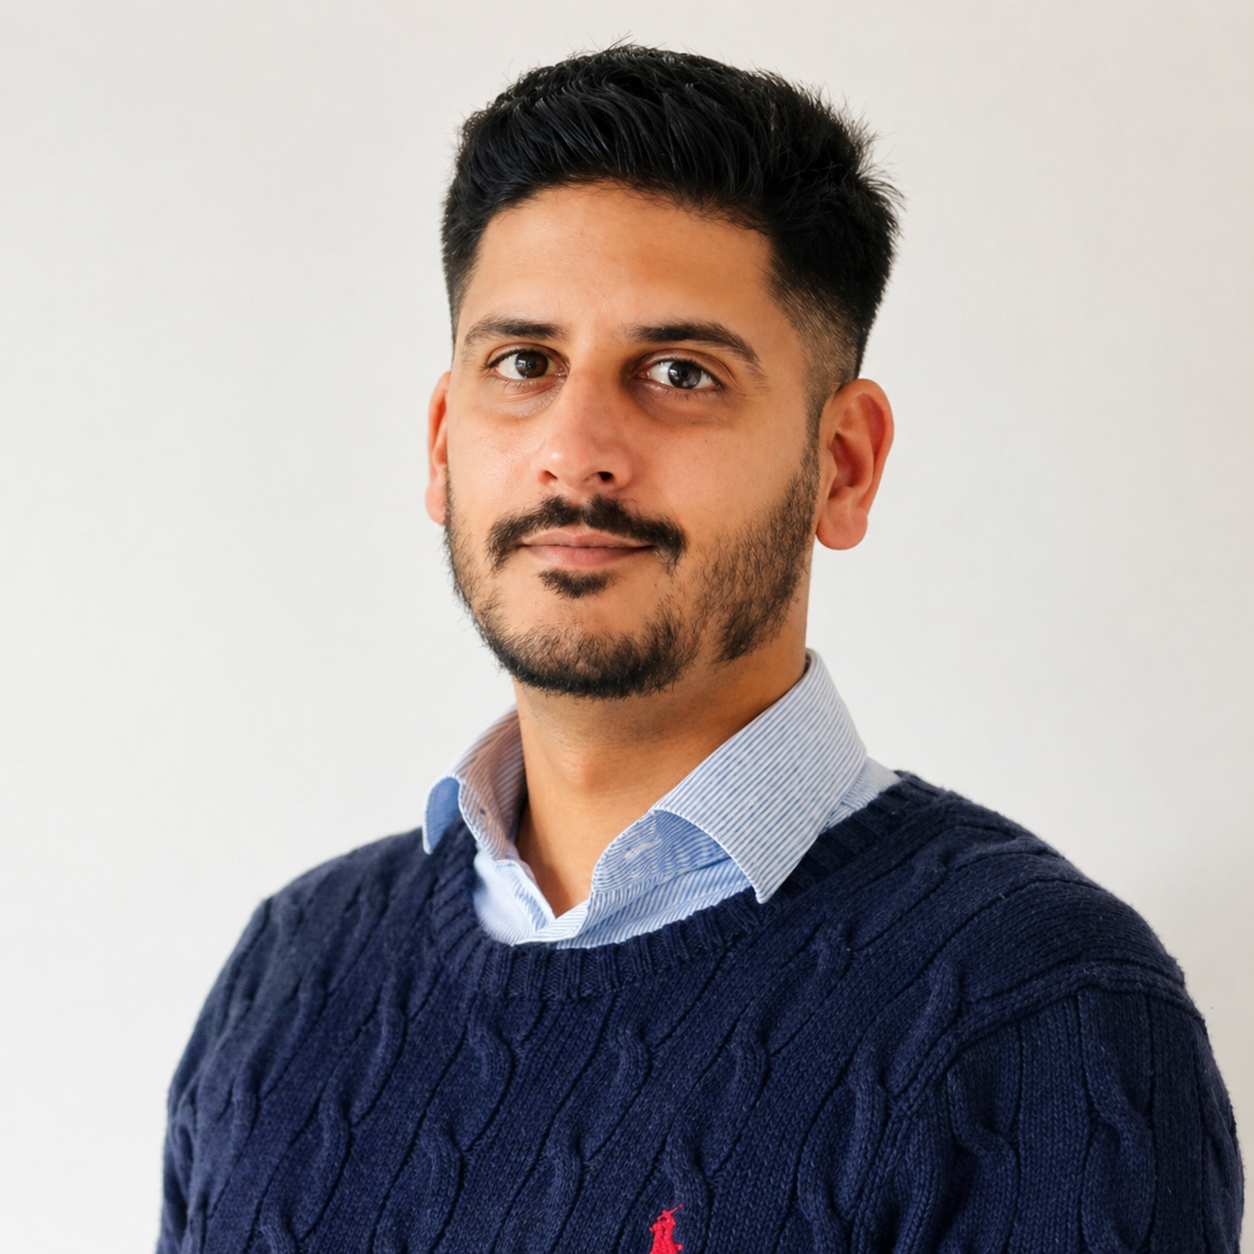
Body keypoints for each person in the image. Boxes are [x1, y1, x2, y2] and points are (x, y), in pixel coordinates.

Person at [157, 46, 1242, 1253]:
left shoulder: (1043, 1011)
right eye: (523, 365)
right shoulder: (292, 970)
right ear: (442, 442)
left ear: (843, 464)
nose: (576, 448)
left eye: (679, 373)